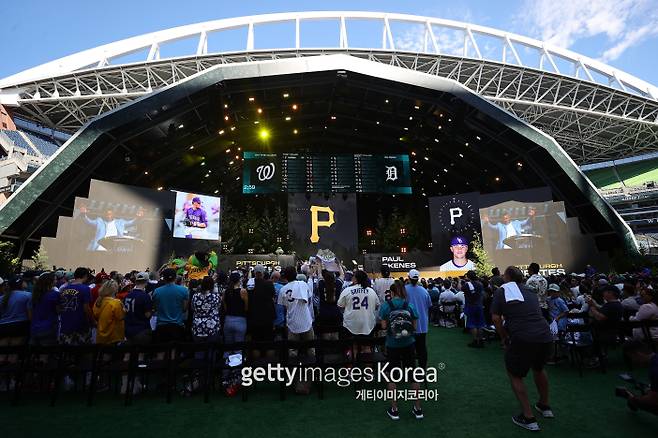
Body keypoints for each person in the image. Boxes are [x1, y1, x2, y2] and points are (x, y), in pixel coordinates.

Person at [491, 266, 553, 431]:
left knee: (515, 373)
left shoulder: (502, 291)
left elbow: (496, 318)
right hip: (544, 334)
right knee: (539, 368)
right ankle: (545, 405)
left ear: (508, 277)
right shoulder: (530, 290)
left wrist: (504, 337)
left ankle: (528, 416)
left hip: (523, 336)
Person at [379, 280, 423, 420]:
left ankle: (395, 409)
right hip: (408, 344)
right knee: (413, 377)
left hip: (392, 345)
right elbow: (415, 327)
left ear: (391, 292)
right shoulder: (409, 306)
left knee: (392, 377)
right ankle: (418, 409)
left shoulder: (386, 306)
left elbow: (384, 327)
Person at [618, 340, 658, 415]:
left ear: (637, 354)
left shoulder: (655, 369)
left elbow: (654, 399)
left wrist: (634, 399)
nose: (633, 361)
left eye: (631, 357)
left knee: (644, 400)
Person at [337, 270, 380, 337]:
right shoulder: (371, 291)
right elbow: (377, 306)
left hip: (350, 324)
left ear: (355, 279)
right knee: (367, 346)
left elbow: (340, 305)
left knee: (353, 345)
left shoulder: (347, 290)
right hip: (368, 324)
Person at [278, 266, 314, 343]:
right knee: (310, 347)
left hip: (292, 321)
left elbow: (284, 307)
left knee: (293, 349)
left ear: (285, 276)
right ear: (296, 274)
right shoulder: (303, 284)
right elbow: (309, 300)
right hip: (306, 320)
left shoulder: (283, 289)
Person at [58, 267, 94, 345]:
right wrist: (92, 320)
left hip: (65, 324)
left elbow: (60, 306)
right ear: (85, 276)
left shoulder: (64, 289)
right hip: (80, 325)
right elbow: (86, 308)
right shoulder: (85, 289)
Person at [153, 268, 189, 343]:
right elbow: (184, 309)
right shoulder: (184, 290)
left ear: (164, 277)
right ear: (175, 277)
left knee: (160, 351)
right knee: (174, 349)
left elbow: (155, 308)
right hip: (177, 324)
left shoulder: (157, 291)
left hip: (161, 324)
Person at [405, 269, 431, 369]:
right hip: (422, 324)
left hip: (409, 323)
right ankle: (422, 368)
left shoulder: (405, 289)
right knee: (422, 347)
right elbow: (429, 305)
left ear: (409, 278)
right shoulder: (424, 291)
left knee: (408, 348)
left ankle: (410, 368)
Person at [0, 276, 31, 346]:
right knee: (14, 353)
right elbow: (30, 314)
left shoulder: (2, 298)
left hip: (3, 326)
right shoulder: (28, 295)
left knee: (2, 354)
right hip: (19, 325)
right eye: (24, 281)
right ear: (20, 283)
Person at [30, 273, 60, 345]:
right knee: (45, 354)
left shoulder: (35, 294)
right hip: (49, 327)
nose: (57, 281)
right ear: (50, 281)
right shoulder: (54, 294)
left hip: (34, 327)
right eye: (55, 279)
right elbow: (58, 310)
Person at [247, 265, 275, 342]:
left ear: (254, 273)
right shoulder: (269, 284)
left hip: (254, 316)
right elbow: (273, 296)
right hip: (267, 316)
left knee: (256, 343)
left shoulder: (249, 285)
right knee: (269, 343)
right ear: (263, 273)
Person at [123, 271, 153, 344]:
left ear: (136, 282)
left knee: (128, 353)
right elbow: (147, 315)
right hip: (141, 329)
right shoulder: (145, 296)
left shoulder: (128, 295)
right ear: (146, 282)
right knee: (141, 354)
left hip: (128, 329)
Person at [93, 280, 125, 345]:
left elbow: (95, 313)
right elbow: (121, 317)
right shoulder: (116, 303)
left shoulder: (98, 301)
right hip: (113, 336)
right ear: (115, 290)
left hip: (100, 334)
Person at [191, 276, 221, 342]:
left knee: (199, 350)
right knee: (211, 349)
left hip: (198, 325)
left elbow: (192, 308)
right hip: (212, 326)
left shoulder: (195, 296)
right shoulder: (216, 296)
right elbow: (219, 307)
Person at [222, 271, 248, 344]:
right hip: (240, 320)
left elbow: (225, 307)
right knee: (238, 348)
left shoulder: (225, 291)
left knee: (228, 347)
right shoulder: (243, 291)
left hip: (228, 319)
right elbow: (246, 308)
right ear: (239, 280)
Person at [464, 271, 486, 348]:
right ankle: (481, 340)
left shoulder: (467, 285)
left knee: (472, 324)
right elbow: (483, 294)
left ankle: (475, 340)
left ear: (469, 277)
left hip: (471, 305)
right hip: (479, 305)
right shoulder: (480, 284)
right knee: (480, 324)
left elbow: (463, 291)